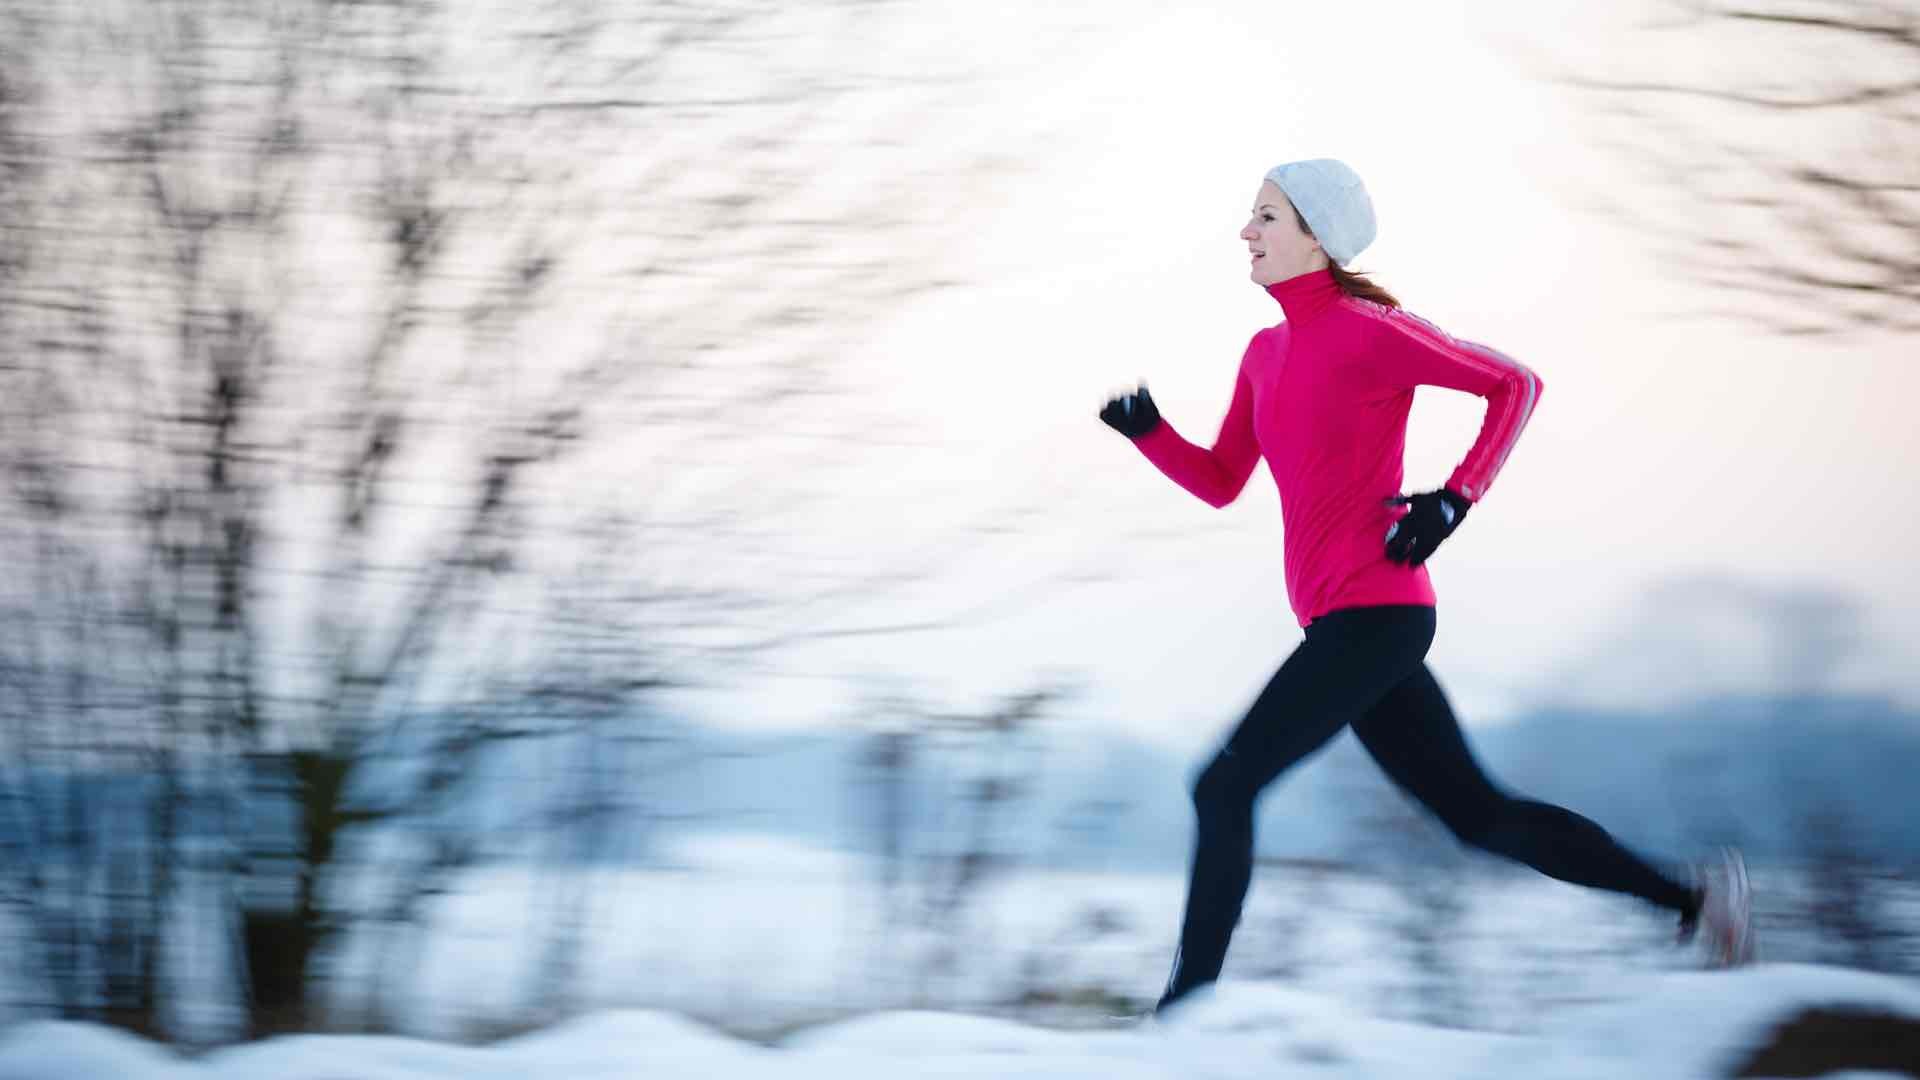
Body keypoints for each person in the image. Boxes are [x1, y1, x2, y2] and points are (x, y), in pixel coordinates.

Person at [1098, 158, 1755, 1016]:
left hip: (1378, 615)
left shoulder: (1372, 330)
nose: (1247, 233)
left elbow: (1515, 385)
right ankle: (1698, 902)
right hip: (1341, 624)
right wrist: (1151, 433)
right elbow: (1224, 477)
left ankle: (1184, 1016)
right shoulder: (1264, 354)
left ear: (1315, 237)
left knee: (1222, 787)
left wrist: (1456, 497)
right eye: (1252, 217)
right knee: (1479, 817)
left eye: (1265, 217)